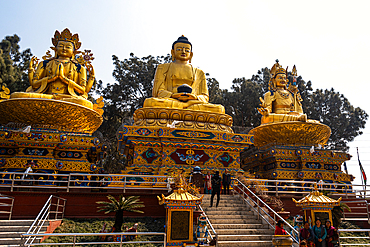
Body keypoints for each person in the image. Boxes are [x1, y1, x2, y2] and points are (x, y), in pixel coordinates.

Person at [10, 28, 95, 109]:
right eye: (61, 46)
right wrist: (52, 78)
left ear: (73, 51)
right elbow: (35, 84)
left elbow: (82, 90)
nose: (64, 48)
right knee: (16, 96)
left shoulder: (79, 68)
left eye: (68, 47)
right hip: (46, 96)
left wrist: (63, 79)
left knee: (85, 103)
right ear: (55, 48)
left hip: (67, 98)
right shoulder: (45, 64)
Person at [143, 35, 224, 113]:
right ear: (173, 52)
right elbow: (158, 92)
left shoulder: (199, 72)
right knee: (150, 103)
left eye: (187, 50)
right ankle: (185, 108)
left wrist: (194, 97)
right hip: (171, 101)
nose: (183, 52)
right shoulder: (162, 68)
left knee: (219, 109)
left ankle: (185, 107)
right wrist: (173, 95)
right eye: (179, 49)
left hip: (192, 103)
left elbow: (205, 97)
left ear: (191, 54)